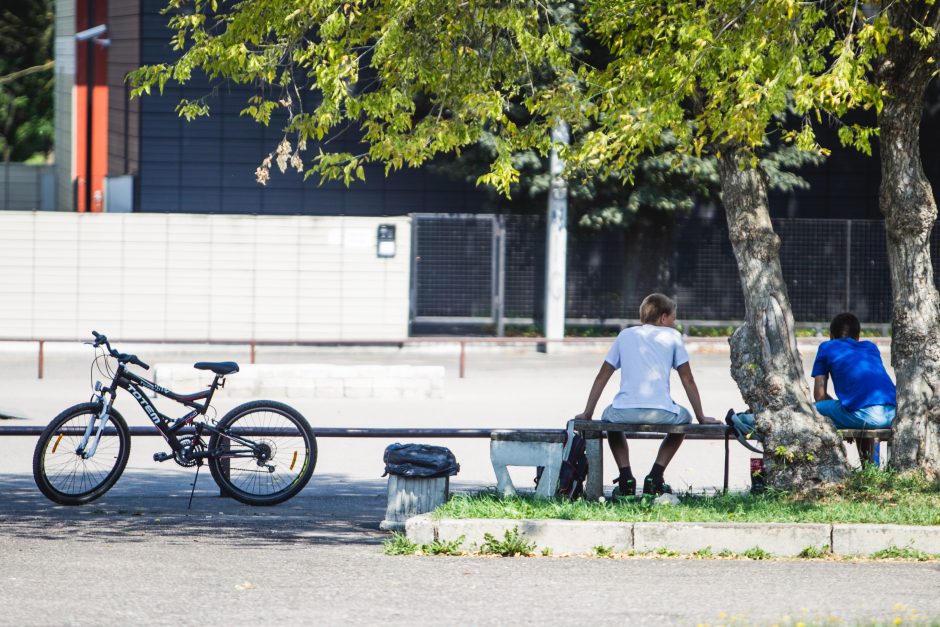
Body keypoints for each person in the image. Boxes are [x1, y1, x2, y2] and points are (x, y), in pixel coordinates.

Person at [574, 293, 718, 498]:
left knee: (609, 418)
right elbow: (688, 379)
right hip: (662, 412)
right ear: (662, 318)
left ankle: (626, 477)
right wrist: (701, 416)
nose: (674, 323)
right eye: (673, 319)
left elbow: (602, 376)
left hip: (624, 411)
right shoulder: (673, 337)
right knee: (685, 418)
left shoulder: (625, 336)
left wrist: (588, 412)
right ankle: (655, 476)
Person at [728, 312, 896, 463]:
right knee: (852, 410)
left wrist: (842, 414)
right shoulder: (870, 347)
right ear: (858, 337)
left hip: (864, 414)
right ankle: (870, 471)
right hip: (891, 412)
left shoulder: (827, 347)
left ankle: (746, 421)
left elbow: (820, 396)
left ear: (831, 335)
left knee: (806, 410)